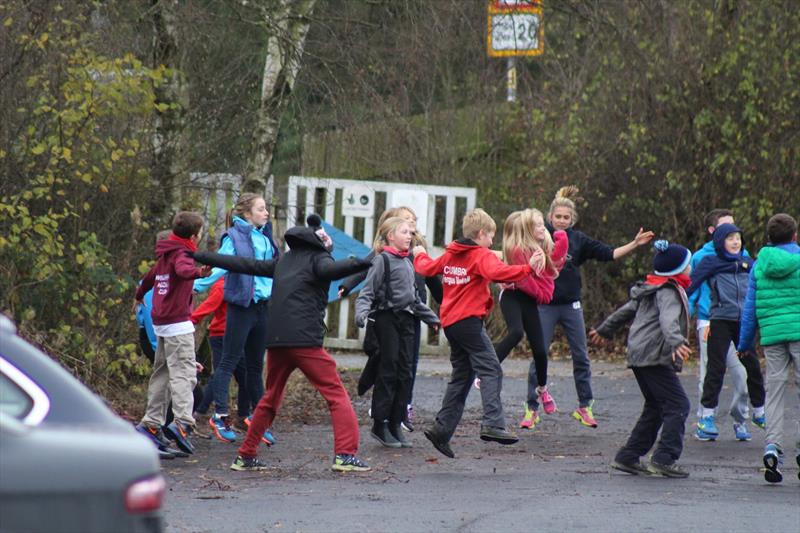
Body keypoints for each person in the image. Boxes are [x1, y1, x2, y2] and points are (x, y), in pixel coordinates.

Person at [193, 214, 374, 472]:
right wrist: (366, 261)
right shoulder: (319, 260)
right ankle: (345, 454)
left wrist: (201, 256)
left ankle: (245, 455)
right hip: (304, 341)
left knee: (270, 397)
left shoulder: (282, 262)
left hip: (276, 340)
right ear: (319, 244)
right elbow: (336, 269)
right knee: (336, 394)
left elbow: (242, 264)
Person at [413, 208, 539, 458]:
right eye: (491, 236)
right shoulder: (480, 255)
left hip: (451, 324)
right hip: (469, 323)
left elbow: (427, 268)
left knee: (462, 375)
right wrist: (528, 269)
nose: (492, 242)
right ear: (481, 234)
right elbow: (498, 273)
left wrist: (419, 254)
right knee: (491, 369)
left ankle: (441, 430)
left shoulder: (451, 254)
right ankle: (493, 423)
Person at [541, 186, 654, 428]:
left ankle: (585, 406)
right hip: (545, 305)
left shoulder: (579, 240)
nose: (561, 220)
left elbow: (609, 254)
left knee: (581, 356)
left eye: (566, 217)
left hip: (571, 305)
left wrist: (634, 244)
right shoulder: (540, 236)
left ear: (572, 220)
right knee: (540, 356)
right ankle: (531, 407)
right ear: (550, 217)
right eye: (557, 216)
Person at [589, 240, 693, 478]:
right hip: (653, 355)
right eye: (688, 265)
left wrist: (605, 329)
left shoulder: (650, 287)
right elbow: (668, 320)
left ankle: (628, 457)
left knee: (656, 406)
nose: (691, 268)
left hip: (639, 353)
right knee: (678, 405)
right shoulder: (668, 290)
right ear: (677, 270)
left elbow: (625, 311)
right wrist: (676, 342)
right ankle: (664, 459)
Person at [340, 206, 442, 431]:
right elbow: (366, 288)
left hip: (409, 317)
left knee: (406, 369)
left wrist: (433, 318)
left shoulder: (412, 257)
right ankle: (380, 420)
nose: (410, 231)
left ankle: (398, 418)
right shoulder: (382, 259)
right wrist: (359, 308)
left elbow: (417, 296)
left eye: (411, 225)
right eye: (404, 228)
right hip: (386, 318)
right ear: (391, 234)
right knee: (389, 367)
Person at [193, 193, 277, 445]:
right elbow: (220, 265)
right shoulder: (234, 237)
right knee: (228, 362)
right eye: (261, 209)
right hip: (241, 307)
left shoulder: (265, 237)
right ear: (247, 214)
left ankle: (258, 421)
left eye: (266, 209)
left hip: (262, 308)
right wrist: (195, 284)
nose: (266, 213)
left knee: (254, 368)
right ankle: (219, 415)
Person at [135, 212, 211, 456]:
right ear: (193, 236)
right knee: (185, 374)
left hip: (163, 324)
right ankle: (182, 424)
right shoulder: (181, 254)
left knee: (162, 374)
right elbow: (184, 269)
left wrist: (138, 296)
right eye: (200, 234)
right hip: (178, 325)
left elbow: (148, 279)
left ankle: (151, 424)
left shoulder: (165, 254)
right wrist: (200, 272)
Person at [686, 223, 766, 440]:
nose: (735, 242)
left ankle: (759, 412)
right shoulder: (711, 263)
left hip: (743, 322)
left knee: (752, 367)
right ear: (720, 242)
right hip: (720, 320)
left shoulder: (749, 264)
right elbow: (689, 286)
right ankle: (707, 418)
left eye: (738, 238)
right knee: (715, 367)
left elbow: (766, 285)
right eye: (730, 238)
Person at [737, 213, 800, 483]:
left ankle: (772, 447)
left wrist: (744, 343)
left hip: (773, 337)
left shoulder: (759, 265)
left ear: (769, 238)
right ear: (795, 236)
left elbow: (749, 308)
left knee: (773, 391)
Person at [493, 209, 568, 429]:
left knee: (540, 350)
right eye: (536, 225)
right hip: (512, 294)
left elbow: (556, 264)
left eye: (541, 224)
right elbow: (521, 276)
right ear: (527, 229)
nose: (542, 228)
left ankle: (543, 389)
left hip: (528, 298)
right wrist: (532, 279)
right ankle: (487, 367)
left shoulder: (542, 246)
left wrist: (560, 236)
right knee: (516, 332)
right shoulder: (517, 248)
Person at [189, 278, 270, 441]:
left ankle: (242, 418)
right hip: (221, 336)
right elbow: (208, 306)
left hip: (239, 337)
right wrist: (191, 320)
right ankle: (202, 413)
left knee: (246, 376)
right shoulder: (223, 285)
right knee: (221, 373)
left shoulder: (250, 283)